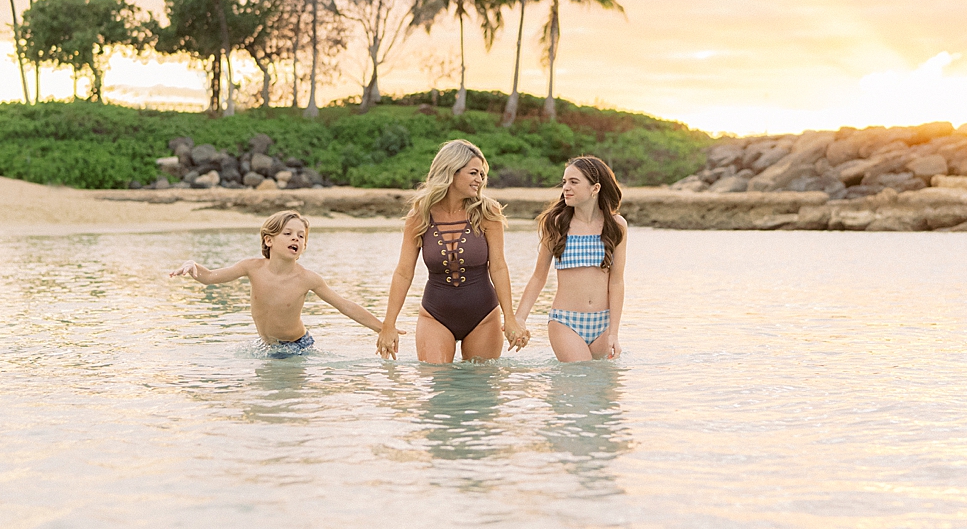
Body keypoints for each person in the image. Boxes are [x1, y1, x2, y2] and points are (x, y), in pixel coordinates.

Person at [379, 139, 530, 363]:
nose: (480, 180)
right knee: (438, 389)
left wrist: (510, 318)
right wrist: (388, 325)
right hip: (434, 316)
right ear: (451, 172)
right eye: (473, 173)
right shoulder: (419, 215)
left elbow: (498, 266)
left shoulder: (488, 212)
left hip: (484, 317)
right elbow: (403, 272)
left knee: (480, 393)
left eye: (482, 174)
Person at [169, 210, 395, 358]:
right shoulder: (252, 267)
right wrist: (193, 267)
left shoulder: (307, 279)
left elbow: (344, 306)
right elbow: (210, 278)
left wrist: (383, 327)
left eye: (301, 236)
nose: (296, 238)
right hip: (267, 346)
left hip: (297, 347)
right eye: (287, 233)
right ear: (269, 240)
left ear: (304, 247)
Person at [516, 156, 627, 362]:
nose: (566, 187)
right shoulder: (556, 224)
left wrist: (614, 333)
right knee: (579, 378)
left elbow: (617, 281)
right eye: (565, 181)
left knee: (602, 390)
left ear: (595, 188)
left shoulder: (616, 225)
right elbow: (538, 277)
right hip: (566, 322)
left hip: (603, 324)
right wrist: (520, 318)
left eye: (574, 182)